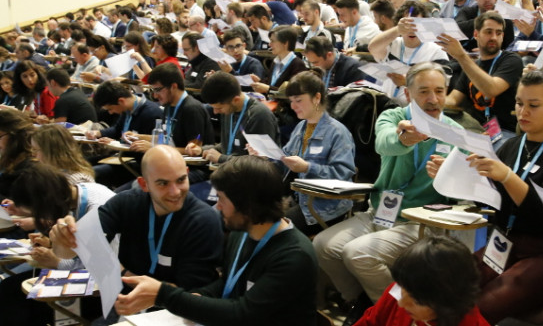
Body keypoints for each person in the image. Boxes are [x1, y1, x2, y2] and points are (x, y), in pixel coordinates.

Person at [428, 62, 543, 324]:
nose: (523, 112)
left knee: (479, 308)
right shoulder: (510, 146)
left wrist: (507, 176)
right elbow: (489, 197)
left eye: (534, 105)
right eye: (519, 103)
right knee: (442, 291)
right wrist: (453, 174)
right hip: (503, 243)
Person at [314, 62, 463, 325]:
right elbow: (384, 143)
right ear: (407, 93)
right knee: (323, 246)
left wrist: (449, 176)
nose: (433, 99)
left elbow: (464, 187)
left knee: (358, 253)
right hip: (381, 212)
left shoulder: (456, 133)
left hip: (421, 222)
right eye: (424, 91)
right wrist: (405, 139)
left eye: (439, 91)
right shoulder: (392, 117)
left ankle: (401, 317)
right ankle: (362, 302)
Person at [112, 156, 318, 326]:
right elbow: (227, 282)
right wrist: (197, 296)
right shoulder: (241, 233)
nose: (217, 206)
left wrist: (163, 294)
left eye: (221, 199)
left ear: (247, 206)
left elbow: (243, 313)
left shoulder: (294, 256)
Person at [50, 146, 224, 319]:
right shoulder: (126, 203)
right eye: (163, 183)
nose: (175, 191)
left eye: (180, 180)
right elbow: (69, 251)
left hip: (172, 313)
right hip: (127, 304)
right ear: (144, 184)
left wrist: (125, 274)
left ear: (187, 173)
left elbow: (189, 296)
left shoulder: (203, 221)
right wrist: (63, 238)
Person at [0, 164, 114, 326]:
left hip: (105, 288)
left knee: (18, 302)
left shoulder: (96, 211)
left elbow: (100, 268)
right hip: (93, 273)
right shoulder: (79, 192)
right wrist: (50, 244)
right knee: (9, 289)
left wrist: (56, 262)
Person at [248, 71, 356, 235]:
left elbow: (342, 175)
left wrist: (307, 167)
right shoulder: (300, 128)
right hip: (299, 201)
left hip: (324, 208)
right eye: (291, 101)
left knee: (271, 231)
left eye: (298, 100)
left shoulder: (338, 133)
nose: (293, 106)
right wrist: (264, 157)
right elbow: (283, 165)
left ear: (317, 98)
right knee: (250, 219)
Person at [354, 236, 490, 326]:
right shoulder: (397, 293)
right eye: (402, 288)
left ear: (447, 303)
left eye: (416, 300)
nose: (401, 303)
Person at [443, 11, 522, 136]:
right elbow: (453, 100)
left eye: (498, 33)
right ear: (476, 34)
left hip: (505, 132)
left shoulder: (512, 60)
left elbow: (491, 89)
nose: (494, 37)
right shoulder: (471, 66)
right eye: (488, 32)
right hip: (476, 130)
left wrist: (461, 56)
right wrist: (429, 101)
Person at [186, 71, 278, 164]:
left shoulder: (259, 116)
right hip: (229, 169)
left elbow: (262, 162)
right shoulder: (230, 109)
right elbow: (228, 146)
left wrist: (221, 158)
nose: (215, 112)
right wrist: (201, 150)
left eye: (219, 108)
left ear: (236, 100)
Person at [368, 2, 449, 101]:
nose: (411, 30)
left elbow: (440, 86)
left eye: (416, 25)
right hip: (387, 104)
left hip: (416, 106)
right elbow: (372, 48)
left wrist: (408, 82)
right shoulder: (392, 43)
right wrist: (397, 30)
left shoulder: (436, 51)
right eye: (406, 25)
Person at [250, 26, 308, 94]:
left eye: (273, 41)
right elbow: (273, 84)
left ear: (285, 43)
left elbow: (292, 92)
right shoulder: (275, 62)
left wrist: (268, 89)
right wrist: (260, 82)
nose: (269, 44)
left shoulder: (297, 64)